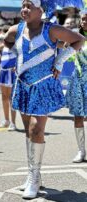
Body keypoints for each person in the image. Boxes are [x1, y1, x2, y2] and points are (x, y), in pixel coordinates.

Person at [4, 0, 85, 199]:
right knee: (27, 131)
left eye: (29, 6)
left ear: (42, 10)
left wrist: (59, 60)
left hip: (43, 85)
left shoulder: (53, 30)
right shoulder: (17, 29)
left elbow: (79, 40)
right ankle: (35, 175)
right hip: (23, 84)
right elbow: (7, 41)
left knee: (35, 129)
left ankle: (33, 177)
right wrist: (16, 58)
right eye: (23, 5)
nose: (25, 9)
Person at [66, 9, 87, 163]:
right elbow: (66, 57)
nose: (83, 22)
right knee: (77, 116)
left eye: (86, 19)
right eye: (82, 19)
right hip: (78, 80)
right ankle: (81, 151)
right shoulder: (76, 37)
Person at [0, 44, 17, 131]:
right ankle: (6, 120)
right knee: (4, 97)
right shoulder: (4, 46)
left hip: (11, 72)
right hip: (3, 72)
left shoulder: (18, 44)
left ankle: (13, 122)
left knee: (11, 98)